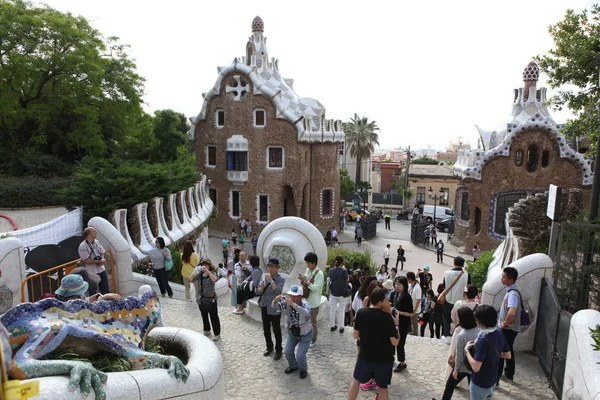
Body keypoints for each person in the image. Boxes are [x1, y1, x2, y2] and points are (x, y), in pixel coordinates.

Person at [347, 288, 399, 400]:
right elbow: (395, 342)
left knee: (356, 381)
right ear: (380, 303)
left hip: (365, 356)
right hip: (384, 360)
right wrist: (397, 325)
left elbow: (355, 336)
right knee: (382, 387)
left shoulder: (361, 313)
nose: (388, 302)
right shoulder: (387, 318)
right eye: (386, 300)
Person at [465, 305, 511, 399]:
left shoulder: (483, 340)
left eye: (477, 319)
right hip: (492, 381)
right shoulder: (499, 332)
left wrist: (466, 351)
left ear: (482, 322)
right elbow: (508, 355)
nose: (476, 321)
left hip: (479, 383)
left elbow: (476, 367)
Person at [437, 307, 481, 400]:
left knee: (449, 386)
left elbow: (459, 356)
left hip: (462, 367)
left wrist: (456, 370)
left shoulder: (462, 335)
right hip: (474, 365)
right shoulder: (479, 331)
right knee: (473, 390)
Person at [273, 285, 312, 379]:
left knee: (300, 355)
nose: (292, 298)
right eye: (290, 295)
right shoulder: (287, 304)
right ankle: (294, 366)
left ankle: (303, 369)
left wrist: (293, 304)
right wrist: (275, 300)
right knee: (287, 351)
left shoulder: (305, 305)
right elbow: (275, 307)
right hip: (293, 332)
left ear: (300, 297)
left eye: (294, 296)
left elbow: (305, 313)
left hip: (305, 334)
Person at [445, 284, 479, 383]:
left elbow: (453, 317)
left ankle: (452, 375)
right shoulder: (478, 306)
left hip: (458, 330)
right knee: (469, 354)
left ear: (465, 293)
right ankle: (467, 380)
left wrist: (457, 324)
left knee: (455, 354)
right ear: (475, 294)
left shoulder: (458, 304)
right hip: (472, 333)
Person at [497, 266, 521, 386]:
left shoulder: (513, 294)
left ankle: (497, 376)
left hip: (508, 329)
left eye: (503, 277)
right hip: (510, 329)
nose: (502, 279)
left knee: (502, 351)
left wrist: (504, 323)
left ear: (511, 279)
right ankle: (509, 373)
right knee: (508, 349)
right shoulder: (511, 290)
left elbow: (512, 312)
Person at [258, 258, 285, 360]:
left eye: (272, 266)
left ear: (277, 268)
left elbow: (278, 291)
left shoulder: (281, 279)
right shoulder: (263, 276)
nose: (270, 268)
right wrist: (261, 288)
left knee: (276, 329)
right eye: (269, 266)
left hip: (274, 307)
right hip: (265, 305)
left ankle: (279, 350)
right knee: (266, 328)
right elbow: (259, 291)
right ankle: (269, 346)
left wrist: (270, 280)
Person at [442, 256, 470, 343]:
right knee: (459, 318)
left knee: (447, 317)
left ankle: (447, 335)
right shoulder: (467, 275)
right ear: (463, 265)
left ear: (454, 263)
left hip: (448, 299)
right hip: (461, 301)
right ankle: (458, 335)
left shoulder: (446, 273)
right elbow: (468, 287)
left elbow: (444, 286)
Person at [298, 252, 324, 346]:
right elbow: (305, 284)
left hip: (314, 302)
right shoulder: (308, 270)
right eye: (307, 263)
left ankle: (313, 339)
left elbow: (315, 288)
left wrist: (306, 281)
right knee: (305, 321)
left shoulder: (319, 274)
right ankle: (306, 336)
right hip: (306, 300)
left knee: (312, 323)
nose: (307, 265)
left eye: (309, 263)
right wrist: (302, 280)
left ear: (314, 263)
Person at [191, 258, 221, 341]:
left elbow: (214, 280)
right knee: (204, 315)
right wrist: (194, 272)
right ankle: (207, 329)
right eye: (203, 265)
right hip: (202, 299)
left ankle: (217, 333)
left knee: (213, 316)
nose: (204, 266)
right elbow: (191, 279)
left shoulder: (212, 273)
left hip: (211, 299)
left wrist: (208, 272)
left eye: (206, 265)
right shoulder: (199, 275)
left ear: (209, 266)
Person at [390, 276, 414, 372]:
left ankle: (402, 362)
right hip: (394, 321)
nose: (396, 286)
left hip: (403, 323)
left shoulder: (407, 297)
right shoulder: (394, 294)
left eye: (399, 284)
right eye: (396, 284)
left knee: (400, 343)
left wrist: (400, 312)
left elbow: (411, 313)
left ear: (404, 285)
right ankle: (391, 358)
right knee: (392, 340)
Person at [78, 227, 110, 295]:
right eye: (94, 231)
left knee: (106, 290)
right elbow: (86, 260)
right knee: (93, 292)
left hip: (101, 269)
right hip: (91, 271)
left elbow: (103, 252)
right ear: (89, 234)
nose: (96, 232)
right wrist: (99, 262)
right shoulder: (83, 246)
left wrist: (102, 259)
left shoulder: (97, 242)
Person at [55, 274, 121, 303]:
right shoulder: (74, 305)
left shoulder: (59, 300)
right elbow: (86, 309)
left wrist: (90, 299)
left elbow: (82, 301)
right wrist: (103, 298)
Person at [329, 255, 350, 333]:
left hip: (333, 293)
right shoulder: (343, 271)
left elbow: (330, 279)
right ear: (342, 262)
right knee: (341, 310)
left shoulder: (331, 270)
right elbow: (347, 280)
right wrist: (344, 269)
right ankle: (341, 327)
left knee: (332, 309)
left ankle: (332, 325)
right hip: (342, 293)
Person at [406, 271, 422, 336]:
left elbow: (418, 300)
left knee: (415, 323)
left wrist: (415, 309)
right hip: (410, 308)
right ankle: (411, 332)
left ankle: (415, 334)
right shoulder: (410, 285)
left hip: (415, 309)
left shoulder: (417, 288)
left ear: (410, 279)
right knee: (410, 322)